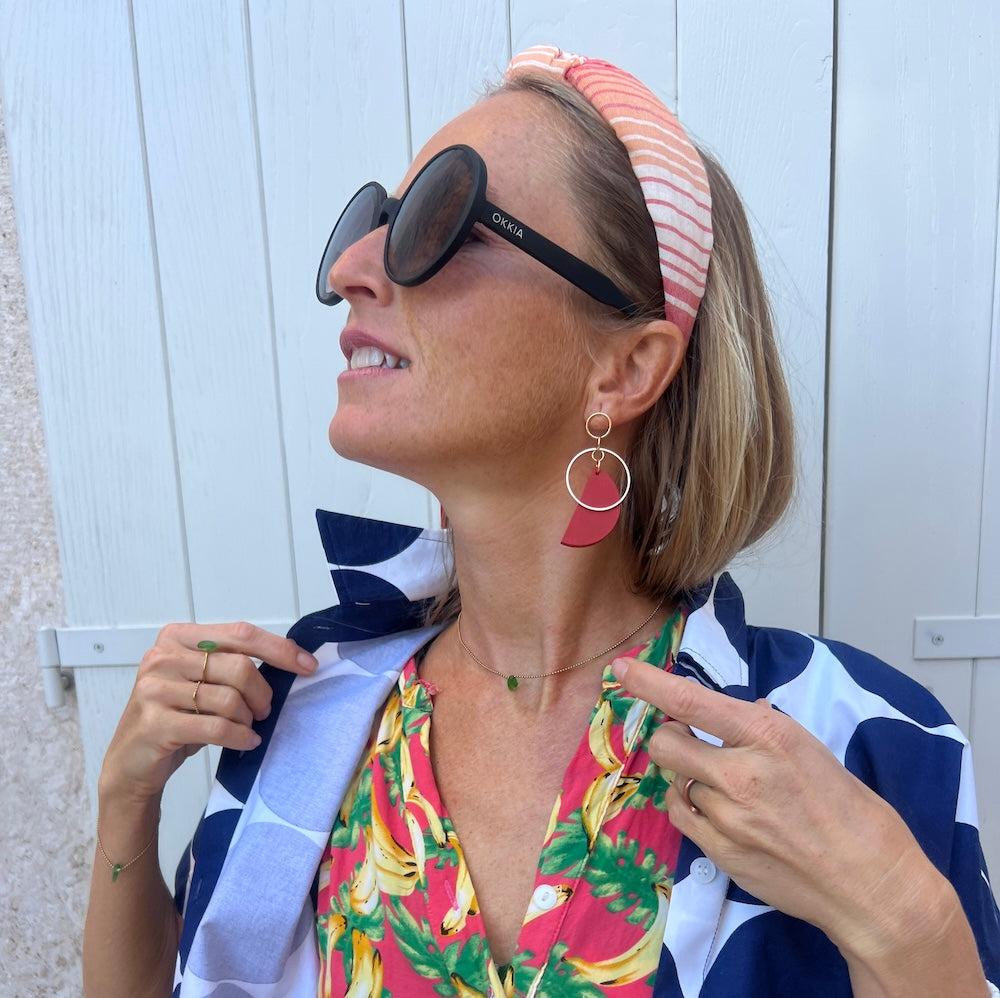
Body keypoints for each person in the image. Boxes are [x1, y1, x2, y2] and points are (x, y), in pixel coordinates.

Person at [83, 45, 1000, 998]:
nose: (354, 268)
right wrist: (126, 807)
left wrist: (907, 919)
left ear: (626, 368)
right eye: (373, 224)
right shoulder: (299, 718)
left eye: (441, 222)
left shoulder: (860, 738)